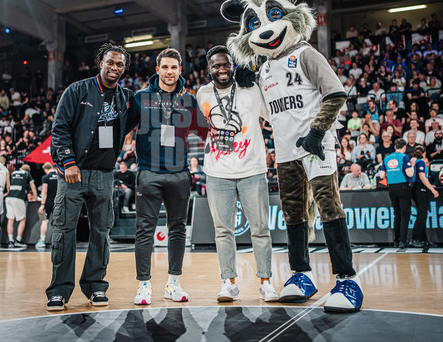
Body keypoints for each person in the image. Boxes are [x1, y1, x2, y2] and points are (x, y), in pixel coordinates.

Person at [46, 43, 133, 311]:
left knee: (101, 233)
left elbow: (151, 103)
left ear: (124, 69)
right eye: (110, 62)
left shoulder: (126, 97)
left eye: (120, 64)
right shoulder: (77, 90)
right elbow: (59, 128)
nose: (114, 67)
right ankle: (59, 290)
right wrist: (68, 162)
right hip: (74, 172)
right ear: (100, 62)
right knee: (64, 231)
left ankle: (95, 286)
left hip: (104, 174)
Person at [126, 48, 208, 306]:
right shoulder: (141, 97)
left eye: (174, 67)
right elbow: (122, 128)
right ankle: (144, 284)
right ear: (157, 69)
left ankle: (173, 283)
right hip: (148, 172)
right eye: (165, 67)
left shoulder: (189, 100)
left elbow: (206, 132)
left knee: (178, 230)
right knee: (144, 231)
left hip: (179, 173)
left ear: (180, 70)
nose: (169, 71)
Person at [196, 45, 278, 303]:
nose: (222, 69)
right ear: (209, 69)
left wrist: (258, 79)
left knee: (260, 229)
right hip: (217, 172)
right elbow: (199, 127)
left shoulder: (250, 89)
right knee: (223, 231)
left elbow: (273, 114)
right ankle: (228, 283)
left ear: (233, 66)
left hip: (252, 169)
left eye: (226, 64)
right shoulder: (202, 93)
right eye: (216, 65)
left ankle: (265, 282)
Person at [379, 139, 414, 249]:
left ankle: (396, 240)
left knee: (397, 214)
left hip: (392, 188)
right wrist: (412, 165)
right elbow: (410, 173)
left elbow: (381, 175)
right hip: (403, 186)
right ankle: (403, 241)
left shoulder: (387, 158)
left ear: (395, 147)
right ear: (404, 147)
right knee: (405, 215)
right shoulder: (404, 157)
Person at [410, 146, 439, 248]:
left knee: (423, 214)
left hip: (417, 188)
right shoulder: (420, 162)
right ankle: (415, 238)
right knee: (422, 214)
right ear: (424, 153)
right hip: (419, 188)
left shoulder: (415, 161)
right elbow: (422, 177)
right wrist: (432, 189)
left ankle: (423, 239)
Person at [5, 164, 36, 248]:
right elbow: (33, 186)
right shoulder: (26, 173)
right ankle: (18, 240)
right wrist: (36, 197)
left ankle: (10, 241)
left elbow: (8, 185)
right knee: (22, 219)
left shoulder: (14, 173)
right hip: (18, 197)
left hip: (9, 197)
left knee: (10, 219)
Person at [36, 162, 59, 249]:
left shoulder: (45, 177)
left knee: (45, 221)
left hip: (49, 201)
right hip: (58, 201)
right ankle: (58, 241)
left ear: (45, 169)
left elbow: (44, 191)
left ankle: (42, 241)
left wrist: (42, 204)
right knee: (58, 222)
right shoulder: (59, 176)